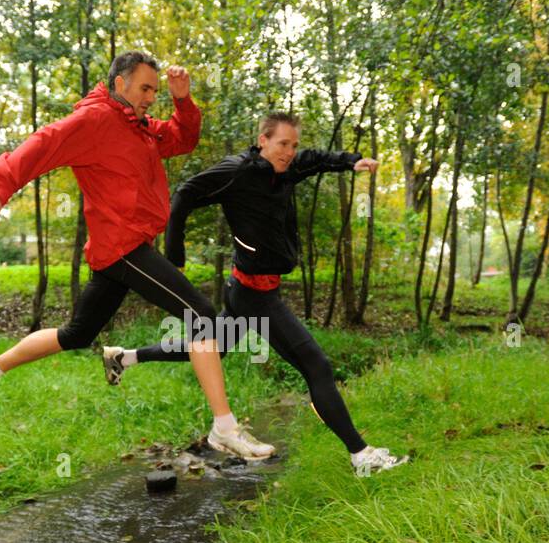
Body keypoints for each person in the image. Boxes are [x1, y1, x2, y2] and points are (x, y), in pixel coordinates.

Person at [0, 50, 274, 460]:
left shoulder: (139, 128)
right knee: (202, 318)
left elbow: (182, 139)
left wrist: (183, 101)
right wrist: (0, 186)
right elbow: (44, 144)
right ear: (119, 82)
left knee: (78, 334)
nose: (150, 97)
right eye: (145, 88)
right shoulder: (95, 120)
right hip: (121, 247)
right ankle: (225, 428)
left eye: (154, 91)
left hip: (122, 248)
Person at [100, 111, 409, 477]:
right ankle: (361, 455)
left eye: (293, 145)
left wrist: (352, 161)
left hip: (246, 289)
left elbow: (314, 159)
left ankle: (125, 357)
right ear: (263, 139)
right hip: (255, 296)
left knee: (215, 348)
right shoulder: (238, 171)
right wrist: (176, 258)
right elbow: (184, 195)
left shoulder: (286, 168)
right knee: (317, 366)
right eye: (282, 144)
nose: (289, 152)